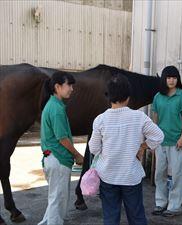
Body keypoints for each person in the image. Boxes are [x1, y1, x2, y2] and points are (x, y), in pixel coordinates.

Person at [88, 74, 164, 225]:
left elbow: (94, 148)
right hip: (131, 176)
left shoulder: (100, 119)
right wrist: (142, 147)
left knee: (110, 217)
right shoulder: (139, 117)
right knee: (136, 216)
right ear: (129, 96)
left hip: (108, 176)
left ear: (108, 96)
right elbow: (158, 136)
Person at [38, 71, 84, 225]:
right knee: (57, 201)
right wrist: (77, 155)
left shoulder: (53, 104)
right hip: (58, 159)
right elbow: (62, 138)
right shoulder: (56, 109)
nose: (71, 88)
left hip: (53, 158)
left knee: (55, 200)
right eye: (69, 85)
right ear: (57, 87)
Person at [151, 65, 182, 217]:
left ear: (177, 79)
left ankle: (174, 206)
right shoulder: (158, 97)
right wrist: (154, 140)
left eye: (174, 77)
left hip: (176, 142)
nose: (171, 80)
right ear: (164, 79)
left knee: (177, 174)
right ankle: (160, 203)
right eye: (168, 77)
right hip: (160, 142)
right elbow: (154, 120)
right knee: (159, 174)